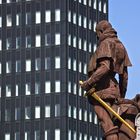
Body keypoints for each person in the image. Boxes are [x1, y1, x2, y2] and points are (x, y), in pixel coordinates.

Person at [80, 20, 132, 140]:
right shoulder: (121, 46)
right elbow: (124, 76)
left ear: (101, 31)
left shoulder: (106, 44)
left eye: (97, 33)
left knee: (106, 124)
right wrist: (121, 97)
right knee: (114, 123)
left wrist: (89, 83)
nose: (97, 36)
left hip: (102, 91)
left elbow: (105, 67)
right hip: (115, 91)